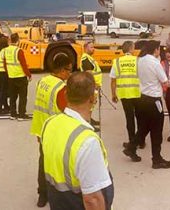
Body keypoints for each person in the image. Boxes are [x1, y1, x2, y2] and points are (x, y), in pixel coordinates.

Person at [42, 72, 114, 210]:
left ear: (65, 95)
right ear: (92, 98)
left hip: (58, 202)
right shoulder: (87, 141)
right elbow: (92, 199)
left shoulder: (49, 123)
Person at [123, 40, 170, 168]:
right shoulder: (155, 63)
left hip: (141, 99)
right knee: (156, 131)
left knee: (144, 127)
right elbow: (165, 82)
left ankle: (131, 147)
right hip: (154, 101)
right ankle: (157, 159)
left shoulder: (139, 60)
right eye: (159, 49)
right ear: (155, 50)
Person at [30, 54, 72, 207]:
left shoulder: (42, 81)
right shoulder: (61, 88)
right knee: (57, 165)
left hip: (41, 129)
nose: (70, 74)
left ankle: (42, 194)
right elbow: (66, 111)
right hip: (55, 133)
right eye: (69, 70)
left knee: (43, 162)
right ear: (61, 70)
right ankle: (59, 195)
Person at [110, 41, 144, 151]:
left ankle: (132, 142)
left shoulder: (117, 62)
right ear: (131, 48)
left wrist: (113, 94)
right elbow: (143, 77)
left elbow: (113, 80)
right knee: (140, 118)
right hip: (137, 93)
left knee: (129, 119)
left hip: (124, 94)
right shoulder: (138, 61)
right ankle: (141, 141)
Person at [3, 33, 32, 121]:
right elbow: (23, 65)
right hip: (20, 76)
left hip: (11, 77)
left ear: (10, 40)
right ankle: (21, 114)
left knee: (12, 96)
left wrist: (8, 73)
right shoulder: (18, 51)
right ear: (18, 40)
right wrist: (28, 75)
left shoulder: (5, 50)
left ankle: (13, 114)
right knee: (23, 96)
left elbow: (5, 64)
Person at [80, 42, 102, 129]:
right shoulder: (86, 59)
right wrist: (94, 84)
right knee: (89, 106)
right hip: (91, 86)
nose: (93, 49)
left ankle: (90, 119)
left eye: (93, 47)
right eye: (91, 47)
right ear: (85, 48)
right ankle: (88, 124)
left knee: (92, 105)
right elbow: (88, 73)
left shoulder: (89, 58)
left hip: (93, 86)